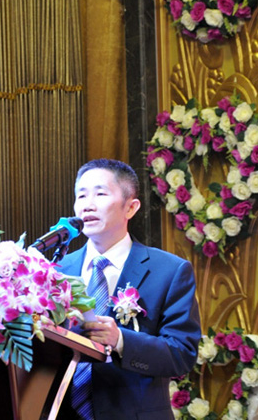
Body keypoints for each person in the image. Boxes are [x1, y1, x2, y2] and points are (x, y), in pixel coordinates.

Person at [56, 158, 201, 420]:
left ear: (131, 207)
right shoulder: (57, 269)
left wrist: (120, 340)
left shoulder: (169, 271)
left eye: (100, 194)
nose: (87, 205)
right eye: (81, 195)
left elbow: (182, 354)